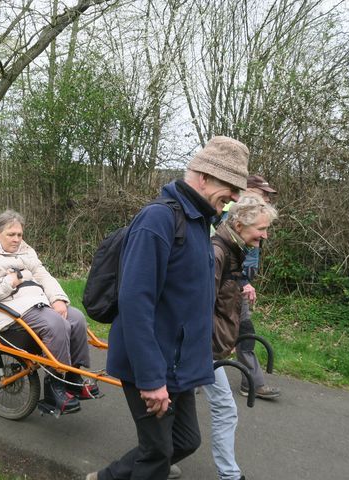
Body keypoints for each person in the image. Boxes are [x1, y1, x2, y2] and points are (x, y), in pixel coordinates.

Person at [87, 135, 249, 480]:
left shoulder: (199, 222)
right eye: (231, 186)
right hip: (151, 363)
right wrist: (150, 379)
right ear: (204, 177)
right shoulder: (158, 220)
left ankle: (106, 478)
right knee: (158, 455)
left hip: (179, 365)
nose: (235, 197)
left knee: (185, 440)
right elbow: (135, 303)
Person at [0, 209, 98, 414]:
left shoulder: (26, 251)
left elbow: (43, 275)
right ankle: (54, 386)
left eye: (19, 235)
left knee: (77, 319)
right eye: (11, 235)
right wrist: (8, 283)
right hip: (8, 307)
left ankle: (73, 377)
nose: (16, 239)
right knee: (57, 324)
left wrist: (58, 299)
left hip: (38, 301)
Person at [204, 195, 278, 480]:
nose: (265, 234)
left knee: (177, 407)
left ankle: (161, 457)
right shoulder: (218, 252)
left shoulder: (233, 249)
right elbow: (200, 309)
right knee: (224, 407)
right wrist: (207, 350)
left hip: (207, 347)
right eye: (261, 228)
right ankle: (230, 476)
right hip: (201, 348)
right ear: (238, 223)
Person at [236, 175, 281, 399]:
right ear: (248, 189)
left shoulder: (257, 215)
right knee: (242, 330)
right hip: (231, 282)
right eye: (262, 192)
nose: (266, 197)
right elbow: (221, 254)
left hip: (241, 279)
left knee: (239, 331)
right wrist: (243, 281)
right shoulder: (233, 213)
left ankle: (250, 382)